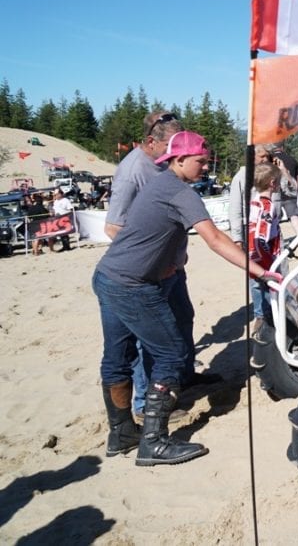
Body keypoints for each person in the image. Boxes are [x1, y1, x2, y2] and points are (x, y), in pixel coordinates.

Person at [94, 131, 282, 465]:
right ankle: (154, 442)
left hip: (108, 276)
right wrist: (259, 271)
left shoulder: (159, 184)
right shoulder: (181, 192)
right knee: (171, 354)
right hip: (134, 285)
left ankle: (121, 433)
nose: (206, 166)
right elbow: (214, 238)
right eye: (201, 160)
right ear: (178, 159)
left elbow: (148, 231)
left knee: (117, 358)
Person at [105, 111, 218, 422]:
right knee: (149, 340)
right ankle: (145, 404)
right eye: (170, 145)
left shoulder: (172, 174)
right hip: (144, 274)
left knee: (183, 320)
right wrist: (151, 264)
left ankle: (183, 377)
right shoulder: (131, 172)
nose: (175, 150)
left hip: (171, 268)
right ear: (151, 142)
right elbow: (114, 227)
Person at [247, 162, 282, 324]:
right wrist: (267, 264)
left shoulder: (253, 201)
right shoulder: (267, 206)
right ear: (273, 183)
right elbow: (261, 236)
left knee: (255, 286)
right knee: (269, 288)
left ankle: (260, 315)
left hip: (251, 255)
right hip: (264, 257)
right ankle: (267, 319)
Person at [271, 148, 298, 237]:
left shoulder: (271, 160)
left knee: (274, 218)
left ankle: (276, 238)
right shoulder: (292, 159)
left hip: (275, 193)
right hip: (290, 193)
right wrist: (297, 189)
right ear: (282, 149)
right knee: (294, 215)